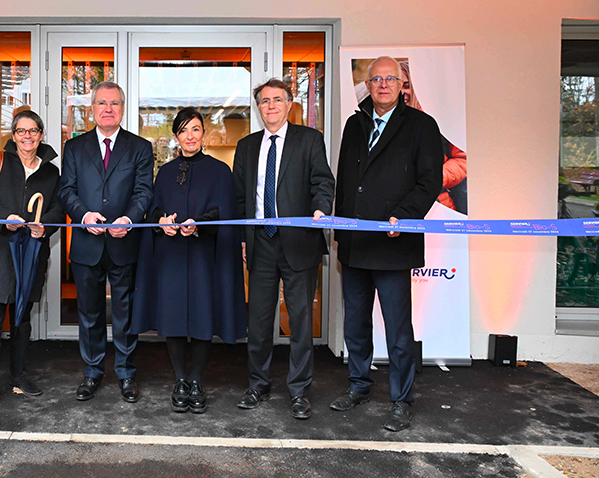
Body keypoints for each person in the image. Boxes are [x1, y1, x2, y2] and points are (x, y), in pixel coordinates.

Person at [331, 56, 443, 432]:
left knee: (398, 329)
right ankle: (359, 385)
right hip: (355, 244)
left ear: (401, 84)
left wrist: (403, 215)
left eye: (389, 78)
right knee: (355, 324)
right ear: (367, 84)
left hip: (394, 244)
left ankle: (401, 400)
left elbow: (429, 182)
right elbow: (345, 182)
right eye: (375, 79)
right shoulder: (354, 123)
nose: (382, 85)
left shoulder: (422, 126)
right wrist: (338, 231)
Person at [132, 108, 247, 414]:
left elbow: (226, 213)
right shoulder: (166, 172)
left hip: (202, 256)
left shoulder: (220, 171)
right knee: (172, 318)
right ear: (176, 137)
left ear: (204, 134)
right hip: (170, 256)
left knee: (200, 317)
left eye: (195, 129)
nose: (190, 136)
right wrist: (162, 222)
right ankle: (180, 380)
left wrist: (200, 223)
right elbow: (153, 211)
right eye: (183, 131)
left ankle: (196, 381)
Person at [233, 78, 334, 420]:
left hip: (299, 244)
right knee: (259, 321)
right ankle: (258, 384)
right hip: (261, 243)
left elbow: (323, 181)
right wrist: (245, 238)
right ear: (258, 107)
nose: (271, 105)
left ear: (290, 105)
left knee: (301, 322)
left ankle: (299, 391)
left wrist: (321, 209)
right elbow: (240, 198)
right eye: (264, 101)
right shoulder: (246, 147)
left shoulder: (309, 140)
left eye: (278, 99)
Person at [57, 81, 153, 403]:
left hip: (124, 242)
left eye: (114, 103)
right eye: (101, 103)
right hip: (87, 243)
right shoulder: (74, 147)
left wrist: (128, 219)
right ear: (92, 109)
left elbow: (144, 192)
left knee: (124, 313)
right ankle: (93, 372)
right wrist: (84, 216)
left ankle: (126, 373)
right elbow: (66, 191)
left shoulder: (139, 147)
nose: (108, 108)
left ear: (122, 108)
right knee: (90, 313)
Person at [0, 111, 64, 412]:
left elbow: (59, 211)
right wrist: (3, 219)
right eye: (21, 131)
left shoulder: (51, 173)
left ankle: (19, 376)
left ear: (41, 134)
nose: (27, 136)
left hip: (31, 256)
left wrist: (43, 225)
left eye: (33, 131)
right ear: (13, 135)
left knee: (22, 322)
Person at [398, 61, 467, 214]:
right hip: (396, 207)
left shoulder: (441, 118)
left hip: (438, 206)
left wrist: (433, 178)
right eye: (398, 86)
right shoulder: (381, 123)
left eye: (407, 86)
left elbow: (463, 160)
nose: (402, 92)